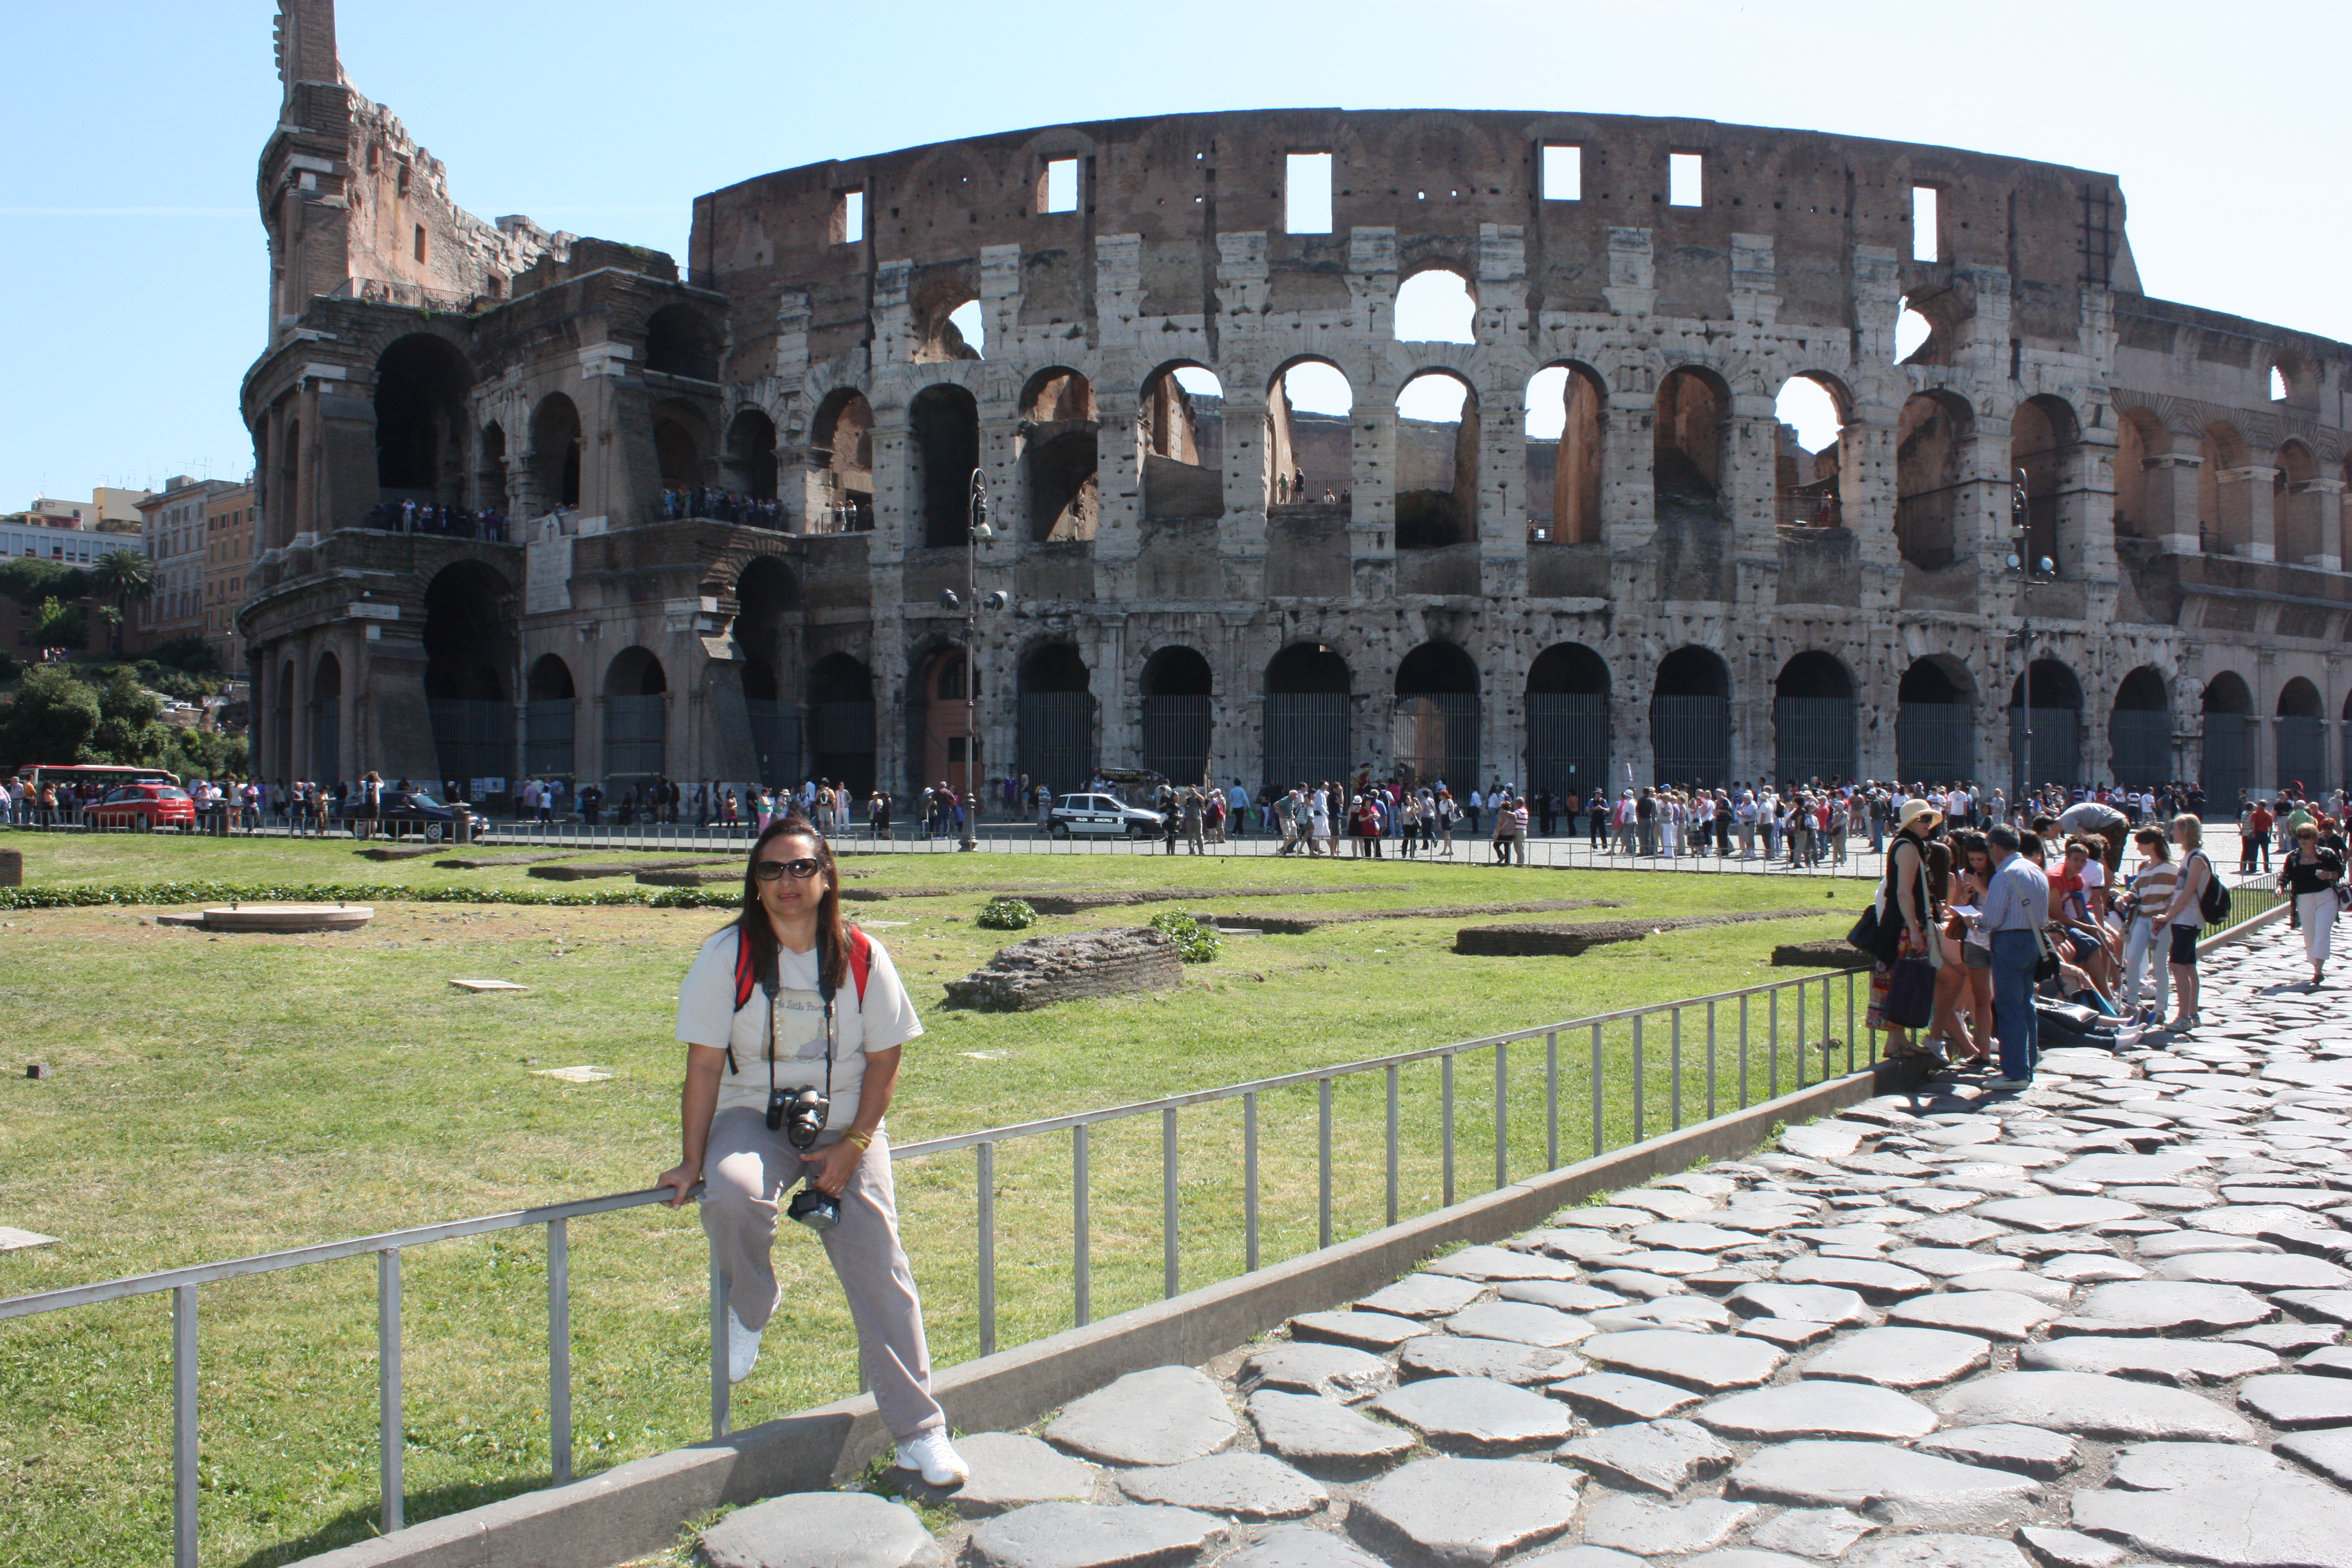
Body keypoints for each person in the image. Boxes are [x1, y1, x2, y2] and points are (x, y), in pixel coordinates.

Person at [657, 818, 968, 1488]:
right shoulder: (728, 955)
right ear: (755, 884)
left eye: (801, 868)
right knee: (733, 1193)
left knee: (882, 1269)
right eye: (771, 871)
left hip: (847, 1120)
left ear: (827, 876)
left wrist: (855, 1145)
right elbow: (705, 1066)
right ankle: (752, 1303)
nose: (787, 883)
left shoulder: (861, 955)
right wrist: (691, 1159)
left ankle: (922, 1434)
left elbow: (887, 1058)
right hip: (753, 1112)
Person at [1867, 799, 1943, 1061]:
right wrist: (1913, 928)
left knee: (1903, 980)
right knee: (1900, 979)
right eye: (1924, 820)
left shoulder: (1912, 845)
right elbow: (1903, 892)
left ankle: (1897, 1040)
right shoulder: (1908, 847)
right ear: (1911, 822)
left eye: (1930, 820)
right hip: (1901, 924)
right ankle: (1895, 1041)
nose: (1929, 825)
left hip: (1901, 923)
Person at [1978, 823, 2051, 1088]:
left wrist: (1976, 921)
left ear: (1995, 847)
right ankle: (2027, 1063)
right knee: (2026, 1005)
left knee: (2009, 1008)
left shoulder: (2005, 875)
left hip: (2009, 941)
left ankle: (2015, 1072)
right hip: (2033, 939)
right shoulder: (2036, 870)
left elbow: (1992, 919)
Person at [2117, 827, 2179, 1025]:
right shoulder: (2144, 866)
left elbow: (2178, 894)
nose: (2138, 848)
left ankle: (2161, 1007)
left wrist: (2166, 909)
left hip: (2161, 921)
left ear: (2151, 845)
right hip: (2142, 918)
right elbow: (2136, 890)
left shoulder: (2172, 868)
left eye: (2140, 843)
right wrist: (2125, 898)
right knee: (2133, 958)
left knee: (2160, 963)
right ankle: (2132, 1003)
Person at [2280, 821, 2343, 987]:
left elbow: (2339, 872)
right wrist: (2280, 888)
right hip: (2304, 898)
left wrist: (2328, 875)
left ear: (2315, 838)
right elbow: (2286, 875)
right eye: (2300, 836)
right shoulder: (2293, 856)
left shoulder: (2327, 854)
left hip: (2326, 897)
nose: (2303, 840)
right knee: (2310, 934)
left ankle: (2318, 971)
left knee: (2322, 931)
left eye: (2307, 836)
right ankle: (2316, 966)